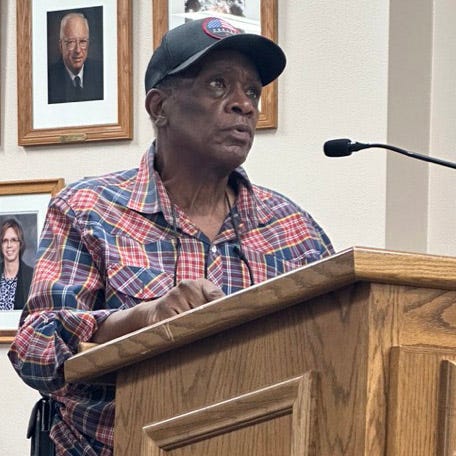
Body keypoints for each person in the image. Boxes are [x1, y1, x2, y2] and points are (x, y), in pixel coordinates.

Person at [9, 16, 334, 455]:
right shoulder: (90, 209)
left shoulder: (295, 230)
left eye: (252, 91)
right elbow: (36, 350)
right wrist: (139, 321)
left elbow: (333, 351)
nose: (245, 105)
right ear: (159, 106)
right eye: (218, 85)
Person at [48, 12, 103, 104]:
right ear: (61, 46)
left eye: (82, 41)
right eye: (71, 42)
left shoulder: (101, 72)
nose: (77, 50)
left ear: (88, 44)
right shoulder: (48, 79)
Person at [0, 218, 33, 311]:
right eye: (5, 240)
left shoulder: (31, 276)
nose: (9, 245)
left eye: (13, 240)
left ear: (20, 244)